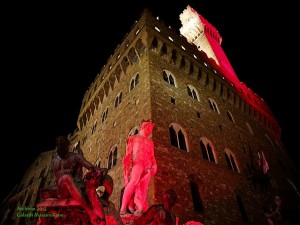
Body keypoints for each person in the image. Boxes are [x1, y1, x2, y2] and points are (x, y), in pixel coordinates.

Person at [52, 136, 106, 225]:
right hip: (62, 190)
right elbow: (56, 178)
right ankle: (89, 211)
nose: (59, 146)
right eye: (58, 144)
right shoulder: (55, 161)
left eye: (61, 144)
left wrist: (99, 170)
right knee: (66, 178)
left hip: (74, 187)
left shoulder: (75, 157)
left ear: (67, 145)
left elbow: (88, 165)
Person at [120, 120, 157, 216]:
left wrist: (155, 165)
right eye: (148, 128)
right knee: (134, 181)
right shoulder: (133, 138)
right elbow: (128, 153)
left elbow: (152, 156)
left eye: (151, 129)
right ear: (143, 127)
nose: (149, 130)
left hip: (148, 164)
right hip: (138, 162)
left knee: (143, 187)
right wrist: (127, 165)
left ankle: (140, 208)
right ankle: (123, 208)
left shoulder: (150, 142)